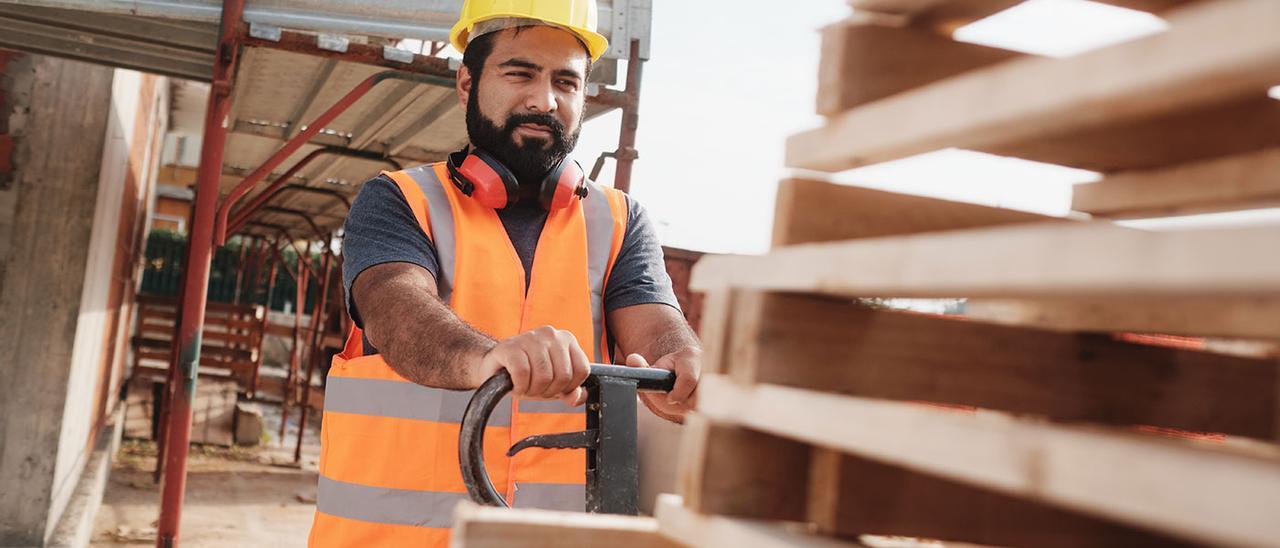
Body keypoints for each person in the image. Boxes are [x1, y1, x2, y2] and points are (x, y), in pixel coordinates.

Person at [308, 1, 701, 545]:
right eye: (520, 73)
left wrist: (680, 362)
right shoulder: (398, 200)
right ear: (467, 82)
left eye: (566, 81)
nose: (545, 100)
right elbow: (394, 308)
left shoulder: (619, 221)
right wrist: (488, 357)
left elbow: (655, 325)